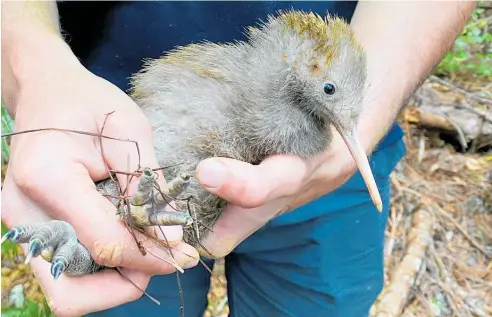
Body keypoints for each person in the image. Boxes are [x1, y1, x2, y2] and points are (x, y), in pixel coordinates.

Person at [1, 1, 476, 317]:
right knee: (114, 257)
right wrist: (35, 70)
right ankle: (78, 241)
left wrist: (357, 132)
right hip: (109, 141)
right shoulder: (213, 97)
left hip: (333, 182)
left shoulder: (324, 121)